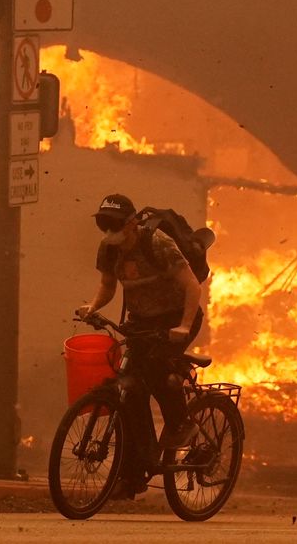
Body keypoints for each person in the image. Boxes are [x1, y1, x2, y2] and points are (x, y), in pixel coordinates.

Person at [75, 193, 203, 496]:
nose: (109, 231)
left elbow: (192, 287)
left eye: (115, 224)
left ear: (132, 223)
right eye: (104, 224)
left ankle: (181, 424)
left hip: (176, 317)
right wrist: (93, 307)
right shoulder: (109, 249)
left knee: (158, 370)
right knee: (130, 392)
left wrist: (183, 327)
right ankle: (134, 473)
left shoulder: (157, 244)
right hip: (141, 319)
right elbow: (107, 286)